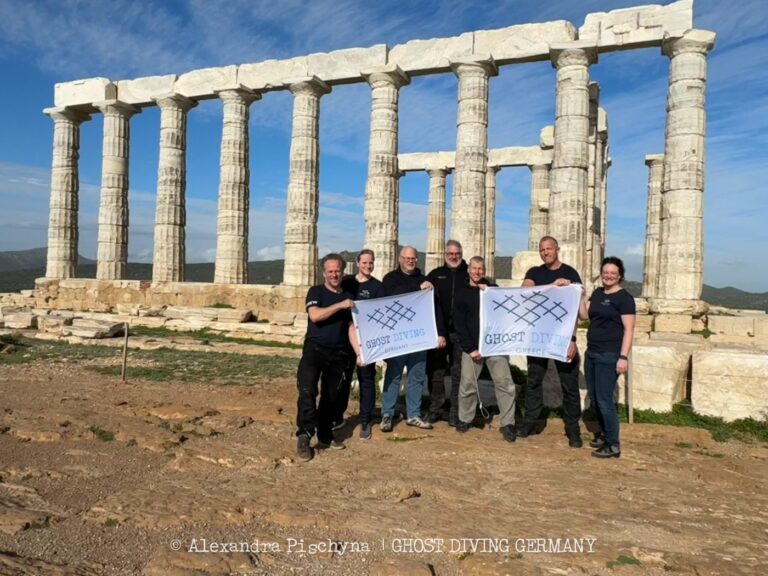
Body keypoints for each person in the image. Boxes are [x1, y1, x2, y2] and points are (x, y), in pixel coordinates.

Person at [519, 236, 583, 448]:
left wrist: (573, 339)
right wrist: (552, 287)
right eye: (542, 249)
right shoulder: (534, 273)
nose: (545, 252)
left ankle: (573, 429)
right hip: (539, 338)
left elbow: (576, 312)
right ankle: (530, 423)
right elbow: (525, 292)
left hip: (563, 338)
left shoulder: (571, 273)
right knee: (534, 382)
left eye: (549, 249)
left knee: (570, 385)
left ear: (557, 250)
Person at [294, 253, 356, 462]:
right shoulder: (316, 291)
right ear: (324, 273)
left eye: (337, 270)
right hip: (315, 349)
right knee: (307, 390)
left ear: (342, 271)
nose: (334, 274)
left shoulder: (348, 295)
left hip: (338, 353)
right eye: (330, 271)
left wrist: (359, 353)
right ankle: (304, 435)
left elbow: (350, 327)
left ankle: (325, 434)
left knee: (331, 398)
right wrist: (339, 305)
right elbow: (315, 315)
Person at [379, 246, 446, 432]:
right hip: (398, 337)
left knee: (416, 376)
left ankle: (413, 414)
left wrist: (440, 333)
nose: (410, 261)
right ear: (400, 259)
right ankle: (387, 414)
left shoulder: (425, 280)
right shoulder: (390, 278)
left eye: (413, 258)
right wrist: (417, 288)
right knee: (394, 375)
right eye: (407, 258)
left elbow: (436, 308)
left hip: (419, 337)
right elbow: (393, 294)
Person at [453, 256, 517, 442]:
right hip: (472, 347)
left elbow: (508, 307)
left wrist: (489, 291)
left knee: (505, 384)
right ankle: (465, 419)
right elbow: (459, 323)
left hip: (494, 345)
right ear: (468, 270)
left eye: (480, 268)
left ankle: (508, 423)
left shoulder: (493, 290)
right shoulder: (461, 293)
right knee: (467, 385)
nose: (477, 272)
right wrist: (471, 348)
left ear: (484, 270)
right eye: (474, 268)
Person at [579, 256, 636, 459]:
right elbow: (585, 316)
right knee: (595, 398)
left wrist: (623, 357)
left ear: (620, 275)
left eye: (613, 273)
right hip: (592, 352)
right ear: (601, 274)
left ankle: (613, 444)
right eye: (605, 272)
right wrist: (581, 296)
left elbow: (629, 330)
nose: (608, 276)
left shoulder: (625, 298)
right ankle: (603, 435)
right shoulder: (597, 292)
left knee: (604, 400)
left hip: (610, 354)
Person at [340, 249, 385, 440]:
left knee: (367, 379)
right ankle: (337, 417)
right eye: (364, 262)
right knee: (342, 378)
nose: (368, 266)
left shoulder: (378, 286)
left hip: (366, 339)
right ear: (357, 263)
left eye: (371, 263)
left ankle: (365, 420)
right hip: (343, 338)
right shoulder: (347, 282)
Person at [426, 240, 469, 426]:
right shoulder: (435, 275)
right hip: (438, 333)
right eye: (450, 253)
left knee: (458, 373)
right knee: (436, 372)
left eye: (457, 253)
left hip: (461, 333)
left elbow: (488, 289)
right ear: (445, 255)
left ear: (461, 254)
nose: (454, 256)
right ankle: (436, 408)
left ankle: (455, 411)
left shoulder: (469, 274)